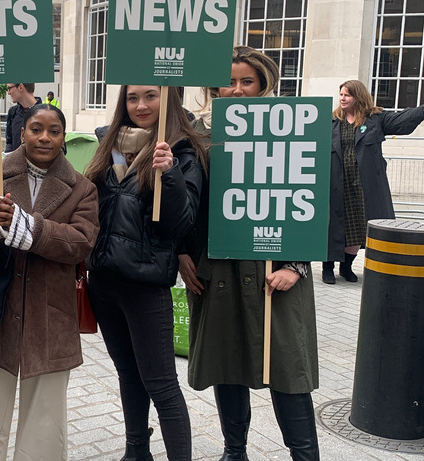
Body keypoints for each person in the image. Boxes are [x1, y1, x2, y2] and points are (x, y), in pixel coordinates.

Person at [181, 45, 320, 461]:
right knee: (227, 361)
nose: (236, 90)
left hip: (276, 272)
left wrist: (296, 265)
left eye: (247, 82)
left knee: (287, 366)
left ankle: (305, 454)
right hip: (217, 268)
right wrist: (182, 256)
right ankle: (234, 451)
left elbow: (309, 200)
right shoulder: (198, 136)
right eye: (230, 81)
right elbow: (189, 204)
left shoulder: (293, 129)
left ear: (264, 84)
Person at [0, 104, 99, 460]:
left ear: (63, 138)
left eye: (54, 131)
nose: (44, 137)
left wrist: (31, 229)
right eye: (36, 128)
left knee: (45, 420)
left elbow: (82, 241)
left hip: (50, 316)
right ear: (21, 133)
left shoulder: (81, 188)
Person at [85, 85, 205, 461]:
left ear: (169, 99)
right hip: (103, 282)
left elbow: (179, 226)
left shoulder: (184, 151)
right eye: (133, 97)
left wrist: (168, 175)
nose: (140, 105)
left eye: (151, 96)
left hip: (145, 286)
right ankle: (136, 451)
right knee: (128, 375)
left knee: (162, 384)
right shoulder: (108, 145)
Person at [322, 80, 424, 284]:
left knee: (359, 229)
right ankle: (327, 268)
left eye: (347, 95)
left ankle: (347, 267)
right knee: (333, 227)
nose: (342, 98)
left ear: (358, 97)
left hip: (364, 187)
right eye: (341, 94)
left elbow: (403, 120)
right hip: (336, 184)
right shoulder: (330, 121)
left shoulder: (375, 120)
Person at [4, 82, 39, 153]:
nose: (8, 92)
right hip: (16, 163)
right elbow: (9, 142)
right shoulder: (12, 112)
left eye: (10, 88)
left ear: (20, 87)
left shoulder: (46, 113)